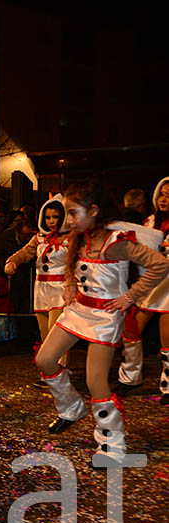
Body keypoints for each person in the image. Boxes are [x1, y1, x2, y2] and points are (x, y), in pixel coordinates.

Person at [34, 181, 169, 469]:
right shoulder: (81, 236)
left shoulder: (118, 241)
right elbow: (70, 265)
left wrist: (130, 296)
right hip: (79, 308)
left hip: (106, 317)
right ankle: (71, 408)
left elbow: (160, 265)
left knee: (97, 382)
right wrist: (70, 284)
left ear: (94, 210)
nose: (69, 220)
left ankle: (112, 445)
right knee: (45, 359)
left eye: (73, 213)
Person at [5, 195, 70, 387]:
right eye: (48, 217)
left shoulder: (72, 238)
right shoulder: (39, 238)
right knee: (43, 333)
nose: (51, 221)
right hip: (41, 289)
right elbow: (25, 252)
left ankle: (58, 374)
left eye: (55, 217)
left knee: (56, 333)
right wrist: (12, 261)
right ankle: (49, 373)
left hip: (61, 289)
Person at [115, 176, 169, 404]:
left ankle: (168, 387)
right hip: (148, 282)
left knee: (168, 340)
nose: (165, 199)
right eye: (163, 194)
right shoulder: (148, 221)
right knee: (131, 331)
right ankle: (129, 378)